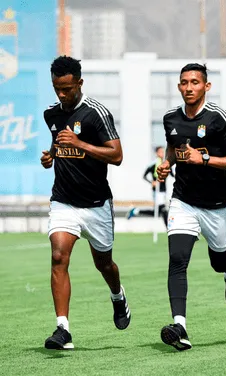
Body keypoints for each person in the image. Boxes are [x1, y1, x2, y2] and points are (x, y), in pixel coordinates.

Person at [155, 63, 226, 351]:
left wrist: (205, 160)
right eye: (184, 82)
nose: (189, 87)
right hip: (183, 201)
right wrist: (167, 163)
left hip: (217, 205)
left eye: (195, 82)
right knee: (178, 259)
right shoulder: (170, 118)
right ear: (179, 86)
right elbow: (173, 146)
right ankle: (179, 326)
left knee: (219, 260)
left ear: (206, 87)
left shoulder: (219, 119)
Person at [41, 56, 130, 350]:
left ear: (79, 83)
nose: (62, 94)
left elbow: (116, 155)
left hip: (96, 204)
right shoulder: (51, 114)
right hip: (64, 201)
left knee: (104, 264)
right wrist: (51, 156)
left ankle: (117, 295)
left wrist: (80, 144)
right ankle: (62, 329)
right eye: (57, 88)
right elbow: (58, 143)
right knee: (58, 256)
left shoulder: (96, 114)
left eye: (67, 88)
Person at [127, 146, 173, 228]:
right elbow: (144, 176)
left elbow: (172, 174)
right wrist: (152, 182)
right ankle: (169, 228)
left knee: (158, 211)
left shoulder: (166, 163)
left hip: (164, 190)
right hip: (157, 191)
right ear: (157, 153)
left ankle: (136, 211)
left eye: (163, 152)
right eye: (160, 152)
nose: (162, 153)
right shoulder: (153, 164)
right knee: (163, 209)